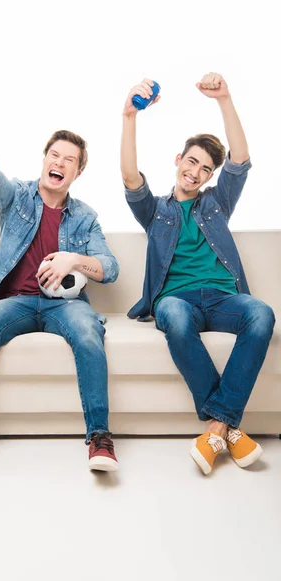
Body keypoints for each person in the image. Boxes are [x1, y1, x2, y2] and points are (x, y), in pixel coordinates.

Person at [0, 108, 119, 485]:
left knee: (88, 333)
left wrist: (73, 259)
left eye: (70, 160)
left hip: (64, 306)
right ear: (45, 159)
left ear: (78, 173)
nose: (60, 163)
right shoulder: (18, 197)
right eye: (55, 155)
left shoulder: (84, 217)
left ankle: (99, 437)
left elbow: (109, 268)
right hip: (15, 302)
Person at [121, 73, 275, 475]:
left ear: (209, 177)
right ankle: (229, 427)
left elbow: (240, 160)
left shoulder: (217, 203)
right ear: (178, 160)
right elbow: (129, 177)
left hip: (225, 298)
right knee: (170, 315)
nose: (196, 172)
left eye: (206, 168)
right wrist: (129, 117)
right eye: (192, 161)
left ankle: (217, 427)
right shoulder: (155, 211)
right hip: (179, 301)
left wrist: (224, 98)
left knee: (262, 314)